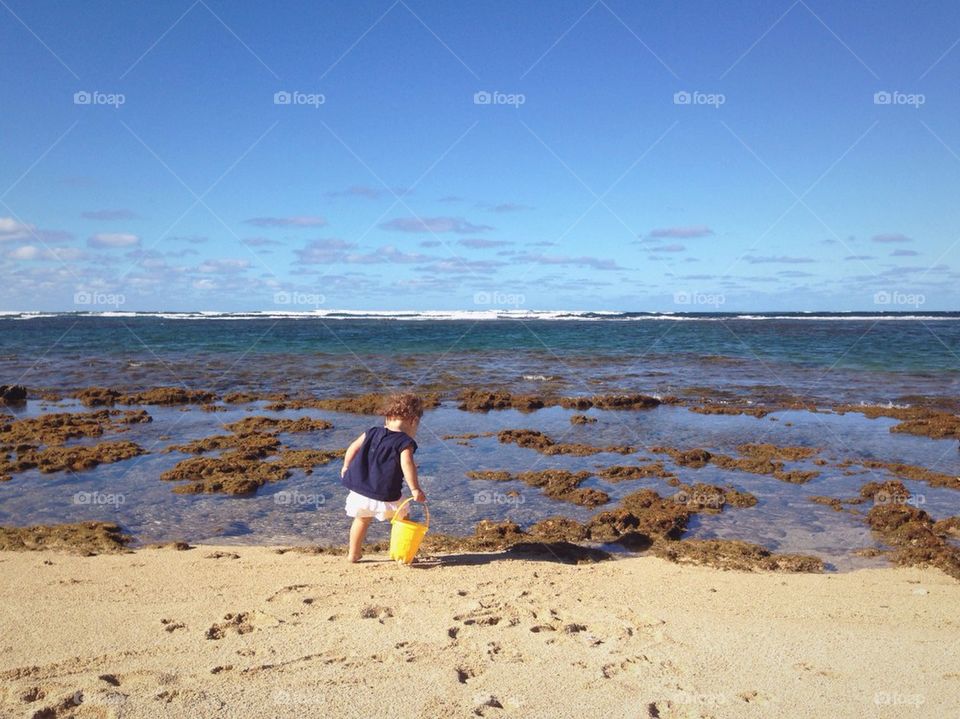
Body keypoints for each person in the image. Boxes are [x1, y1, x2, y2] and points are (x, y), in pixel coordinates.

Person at [340, 392, 426, 562]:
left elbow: (353, 447)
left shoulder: (371, 432)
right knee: (402, 519)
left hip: (360, 489)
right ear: (413, 421)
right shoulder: (405, 443)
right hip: (386, 492)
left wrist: (346, 466)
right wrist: (415, 489)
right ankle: (401, 552)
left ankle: (353, 554)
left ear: (387, 418)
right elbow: (407, 465)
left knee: (361, 520)